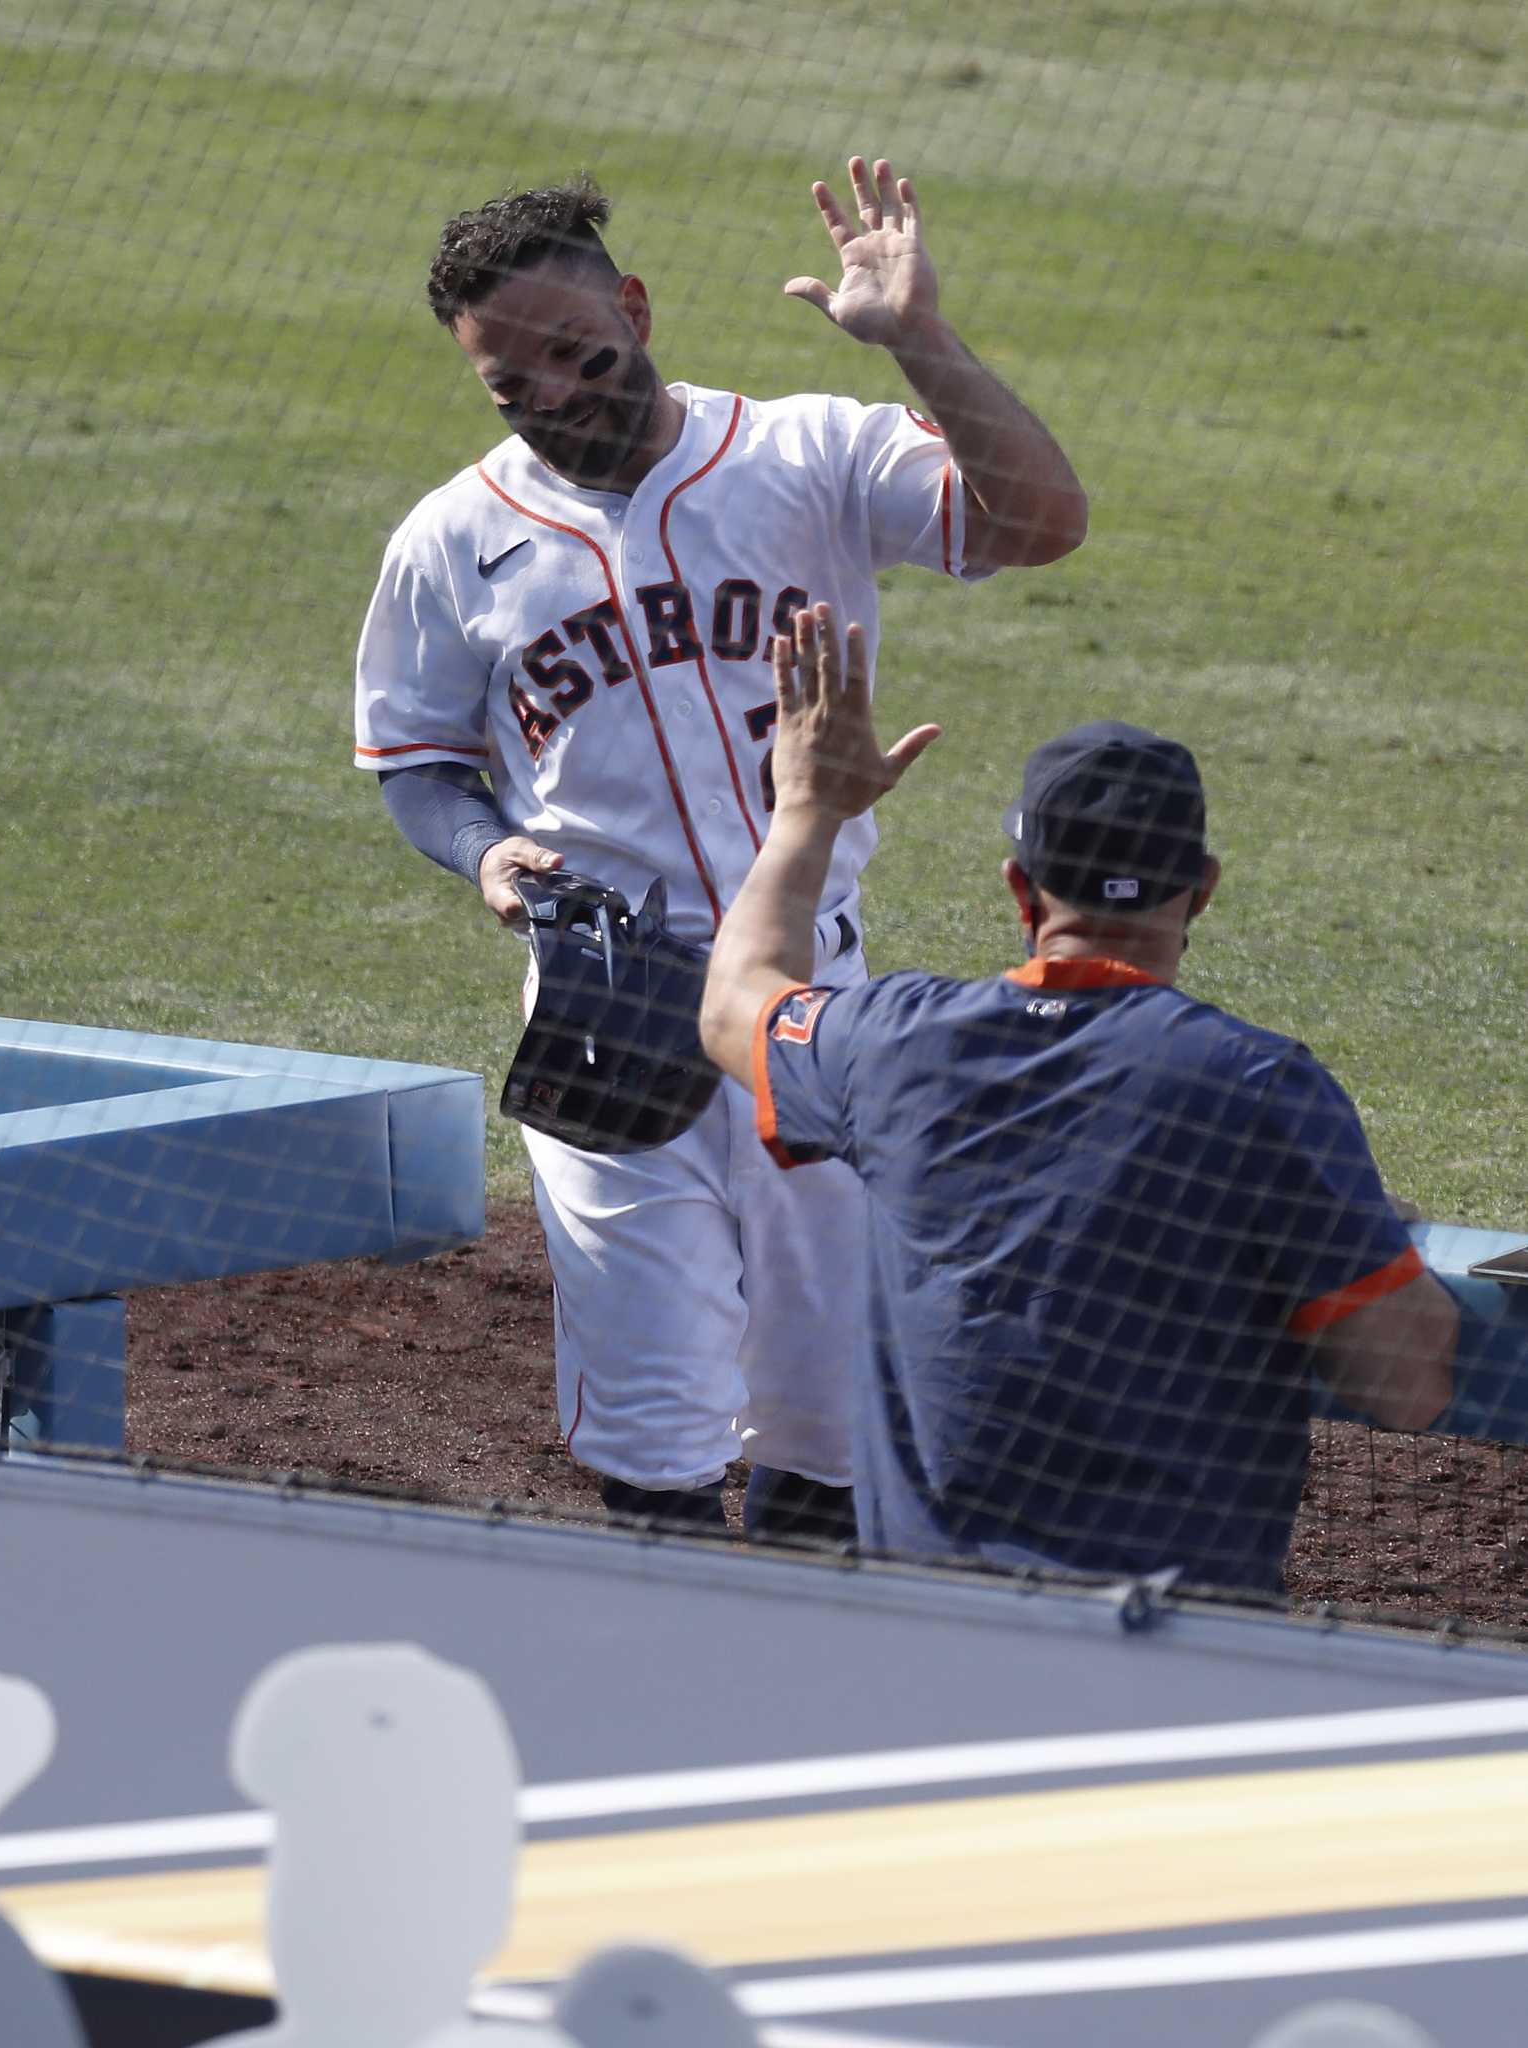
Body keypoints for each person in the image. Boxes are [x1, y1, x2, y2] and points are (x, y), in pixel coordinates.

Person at [354, 159, 1088, 1538]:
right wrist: (478, 854)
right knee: (655, 1436)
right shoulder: (449, 542)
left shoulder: (805, 453)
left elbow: (1039, 524)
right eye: (514, 390)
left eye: (579, 359)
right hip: (603, 1010)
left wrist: (918, 340)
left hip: (815, 1005)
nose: (557, 403)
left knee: (824, 1429)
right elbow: (418, 764)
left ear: (632, 307)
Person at [698, 604, 1458, 1590]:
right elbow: (1404, 1383)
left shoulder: (890, 1045)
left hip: (929, 1641)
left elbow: (731, 1004)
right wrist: (1356, 1228)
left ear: (1021, 889)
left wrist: (807, 808)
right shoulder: (1259, 1091)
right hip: (1165, 1664)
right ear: (1201, 889)